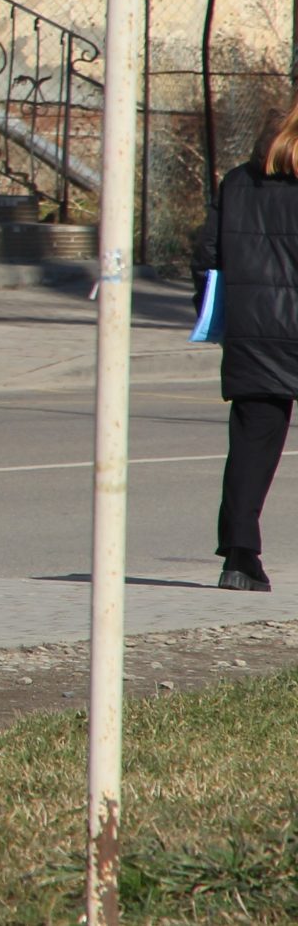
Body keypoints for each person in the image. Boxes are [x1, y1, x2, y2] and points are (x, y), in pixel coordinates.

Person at [193, 94, 298, 594]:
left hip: (253, 332)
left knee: (252, 445)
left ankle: (239, 557)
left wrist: (219, 317)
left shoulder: (238, 182)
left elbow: (207, 255)